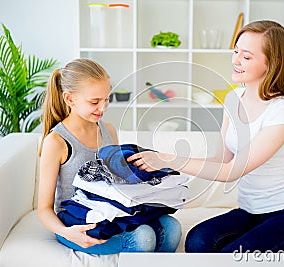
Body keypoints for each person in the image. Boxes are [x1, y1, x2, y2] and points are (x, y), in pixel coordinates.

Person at [127, 20, 284, 253]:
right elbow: (221, 160)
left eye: (246, 56)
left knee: (229, 258)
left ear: (273, 63)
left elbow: (232, 172)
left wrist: (168, 159)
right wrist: (162, 165)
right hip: (249, 212)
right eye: (236, 51)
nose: (235, 60)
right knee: (197, 242)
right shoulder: (233, 98)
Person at [37, 58, 181, 255]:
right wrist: (67, 233)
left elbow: (115, 182)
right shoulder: (56, 142)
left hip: (109, 212)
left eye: (106, 99)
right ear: (70, 99)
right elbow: (44, 209)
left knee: (172, 228)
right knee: (143, 237)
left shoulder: (108, 130)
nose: (103, 108)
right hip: (76, 222)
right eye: (94, 102)